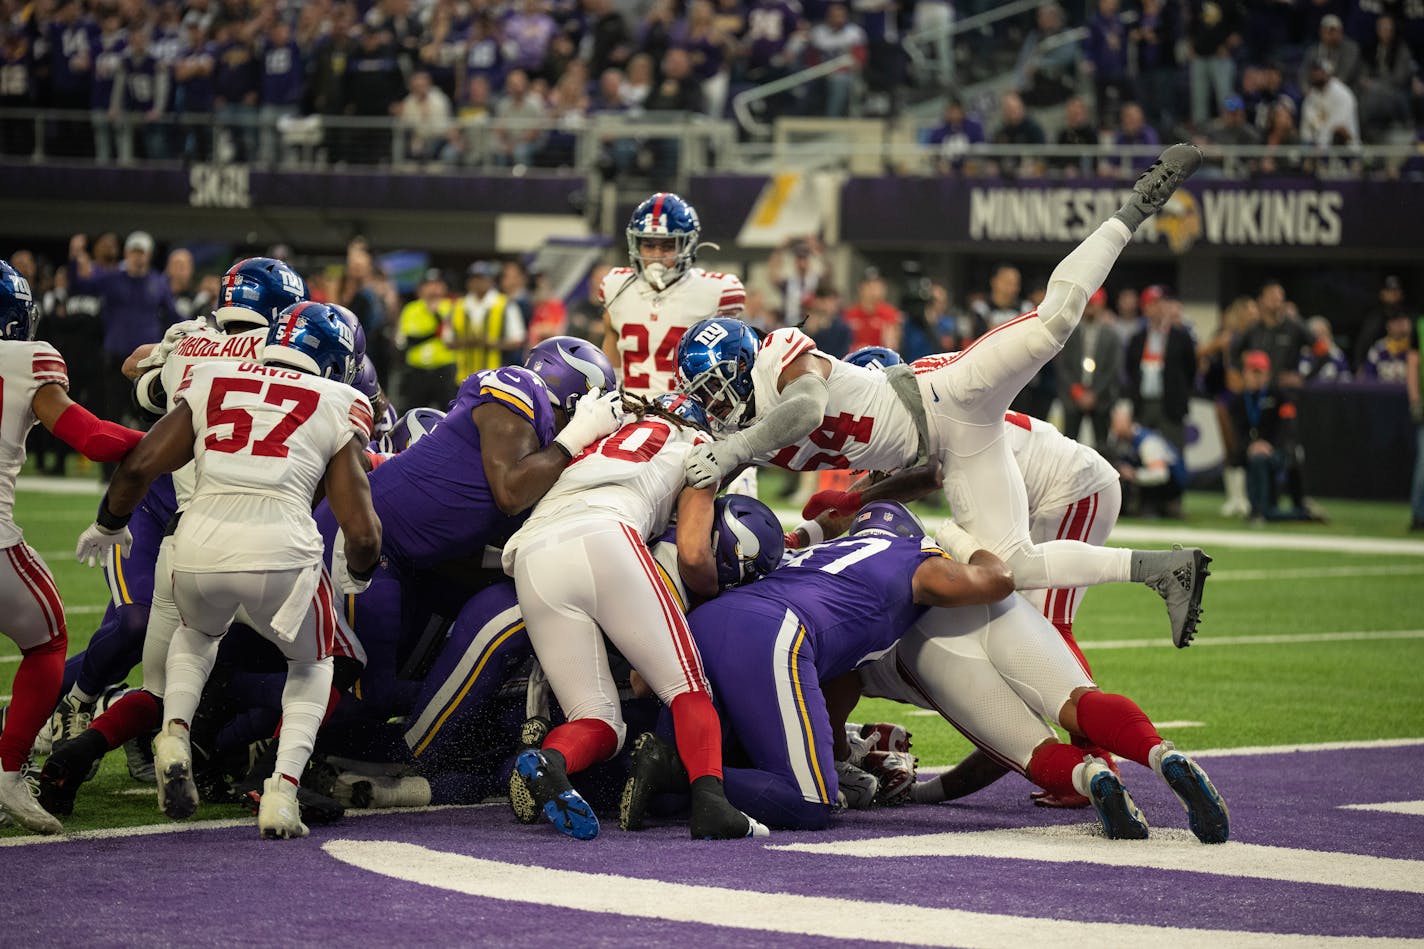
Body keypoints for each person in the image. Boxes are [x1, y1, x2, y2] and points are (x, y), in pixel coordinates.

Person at [677, 143, 1212, 648]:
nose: (716, 406)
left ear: (744, 364)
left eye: (716, 388)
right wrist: (819, 518)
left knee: (1054, 323)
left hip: (945, 394)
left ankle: (1133, 210)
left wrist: (733, 450)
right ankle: (1161, 569)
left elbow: (807, 408)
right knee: (1012, 566)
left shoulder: (779, 356)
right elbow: (920, 477)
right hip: (949, 450)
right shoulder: (744, 430)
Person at [76, 301, 379, 839]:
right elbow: (362, 530)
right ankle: (281, 793)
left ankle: (173, 730)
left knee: (194, 637)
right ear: (334, 361)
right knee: (313, 666)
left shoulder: (213, 377)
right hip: (281, 554)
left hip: (194, 546)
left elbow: (143, 462)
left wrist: (107, 524)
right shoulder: (340, 401)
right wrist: (360, 573)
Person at [38, 258, 311, 818]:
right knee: (312, 663)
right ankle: (279, 778)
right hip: (249, 532)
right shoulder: (293, 364)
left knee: (172, 677)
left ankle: (107, 737)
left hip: (186, 535)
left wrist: (175, 358)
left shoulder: (193, 343)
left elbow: (140, 380)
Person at [629, 501, 1014, 831]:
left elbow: (835, 688)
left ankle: (663, 766)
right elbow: (998, 580)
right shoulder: (916, 557)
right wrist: (964, 543)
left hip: (708, 622)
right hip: (774, 630)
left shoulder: (825, 557)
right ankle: (681, 770)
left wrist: (841, 755)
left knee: (670, 804)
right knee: (808, 800)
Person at [504, 393, 767, 841]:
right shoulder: (699, 444)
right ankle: (712, 805)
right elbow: (692, 551)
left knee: (597, 718)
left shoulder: (603, 435)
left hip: (531, 554)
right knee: (687, 688)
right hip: (607, 535)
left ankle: (552, 761)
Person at [856, 530, 1231, 843]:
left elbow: (824, 707)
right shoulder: (886, 531)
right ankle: (1162, 755)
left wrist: (917, 790)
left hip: (922, 648)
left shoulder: (822, 628)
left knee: (1033, 752)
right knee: (1079, 704)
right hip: (985, 593)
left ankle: (1089, 777)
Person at [0, 261, 146, 834]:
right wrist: (168, 443)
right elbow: (91, 437)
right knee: (48, 639)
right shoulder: (25, 360)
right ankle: (9, 775)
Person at [600, 192, 745, 397]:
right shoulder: (615, 286)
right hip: (628, 409)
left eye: (668, 246)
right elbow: (611, 354)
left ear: (687, 245)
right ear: (636, 243)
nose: (657, 255)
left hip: (687, 415)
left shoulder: (718, 292)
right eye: (649, 245)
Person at [67, 230, 180, 448]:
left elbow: (173, 315)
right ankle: (108, 471)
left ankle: (147, 466)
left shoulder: (158, 283)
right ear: (127, 253)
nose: (138, 257)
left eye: (142, 252)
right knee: (112, 414)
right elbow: (79, 287)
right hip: (115, 358)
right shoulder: (111, 279)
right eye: (134, 251)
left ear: (148, 255)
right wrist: (74, 258)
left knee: (148, 414)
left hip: (148, 362)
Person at [1225, 350, 1316, 524]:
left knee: (1266, 458)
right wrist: (1252, 446)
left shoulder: (1279, 395)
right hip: (1249, 451)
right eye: (1253, 372)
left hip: (1276, 449)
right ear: (1245, 373)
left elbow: (1287, 428)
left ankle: (1263, 510)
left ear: (1267, 374)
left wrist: (1269, 445)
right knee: (1256, 458)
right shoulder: (1238, 401)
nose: (1257, 377)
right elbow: (1237, 433)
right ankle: (1263, 509)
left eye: (1260, 373)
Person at [1124, 285, 1197, 456]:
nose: (1158, 308)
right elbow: (1130, 369)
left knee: (1173, 453)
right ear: (1145, 308)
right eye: (1153, 303)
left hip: (1170, 405)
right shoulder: (1137, 338)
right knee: (1142, 453)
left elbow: (1190, 369)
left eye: (1161, 303)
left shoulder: (1181, 337)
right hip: (1143, 404)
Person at [1056, 286, 1123, 451]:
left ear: (1102, 305)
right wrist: (1077, 391)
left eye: (1095, 304)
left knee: (1103, 445)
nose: (1091, 308)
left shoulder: (1111, 335)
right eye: (1088, 304)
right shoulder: (1070, 332)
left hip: (1101, 399)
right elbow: (1062, 365)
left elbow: (1112, 368)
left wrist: (1094, 393)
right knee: (1069, 445)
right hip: (1073, 397)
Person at [1109, 403, 1188, 518]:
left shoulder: (1147, 442)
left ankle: (1163, 505)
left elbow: (1161, 474)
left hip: (1171, 483)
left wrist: (1133, 474)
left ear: (1127, 422)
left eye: (1116, 423)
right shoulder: (1126, 441)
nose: (1114, 427)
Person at [450, 261, 525, 378]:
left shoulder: (505, 304)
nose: (478, 283)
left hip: (497, 376)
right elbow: (448, 340)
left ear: (491, 281)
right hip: (464, 375)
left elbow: (518, 339)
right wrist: (465, 341)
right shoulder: (459, 305)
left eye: (482, 278)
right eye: (474, 279)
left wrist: (492, 343)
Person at [396, 268, 457, 410]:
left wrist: (438, 316)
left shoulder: (452, 307)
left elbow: (452, 338)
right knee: (413, 412)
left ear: (444, 287)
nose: (433, 289)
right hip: (417, 371)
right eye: (429, 284)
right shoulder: (411, 309)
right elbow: (403, 341)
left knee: (448, 413)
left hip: (444, 370)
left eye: (437, 284)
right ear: (421, 288)